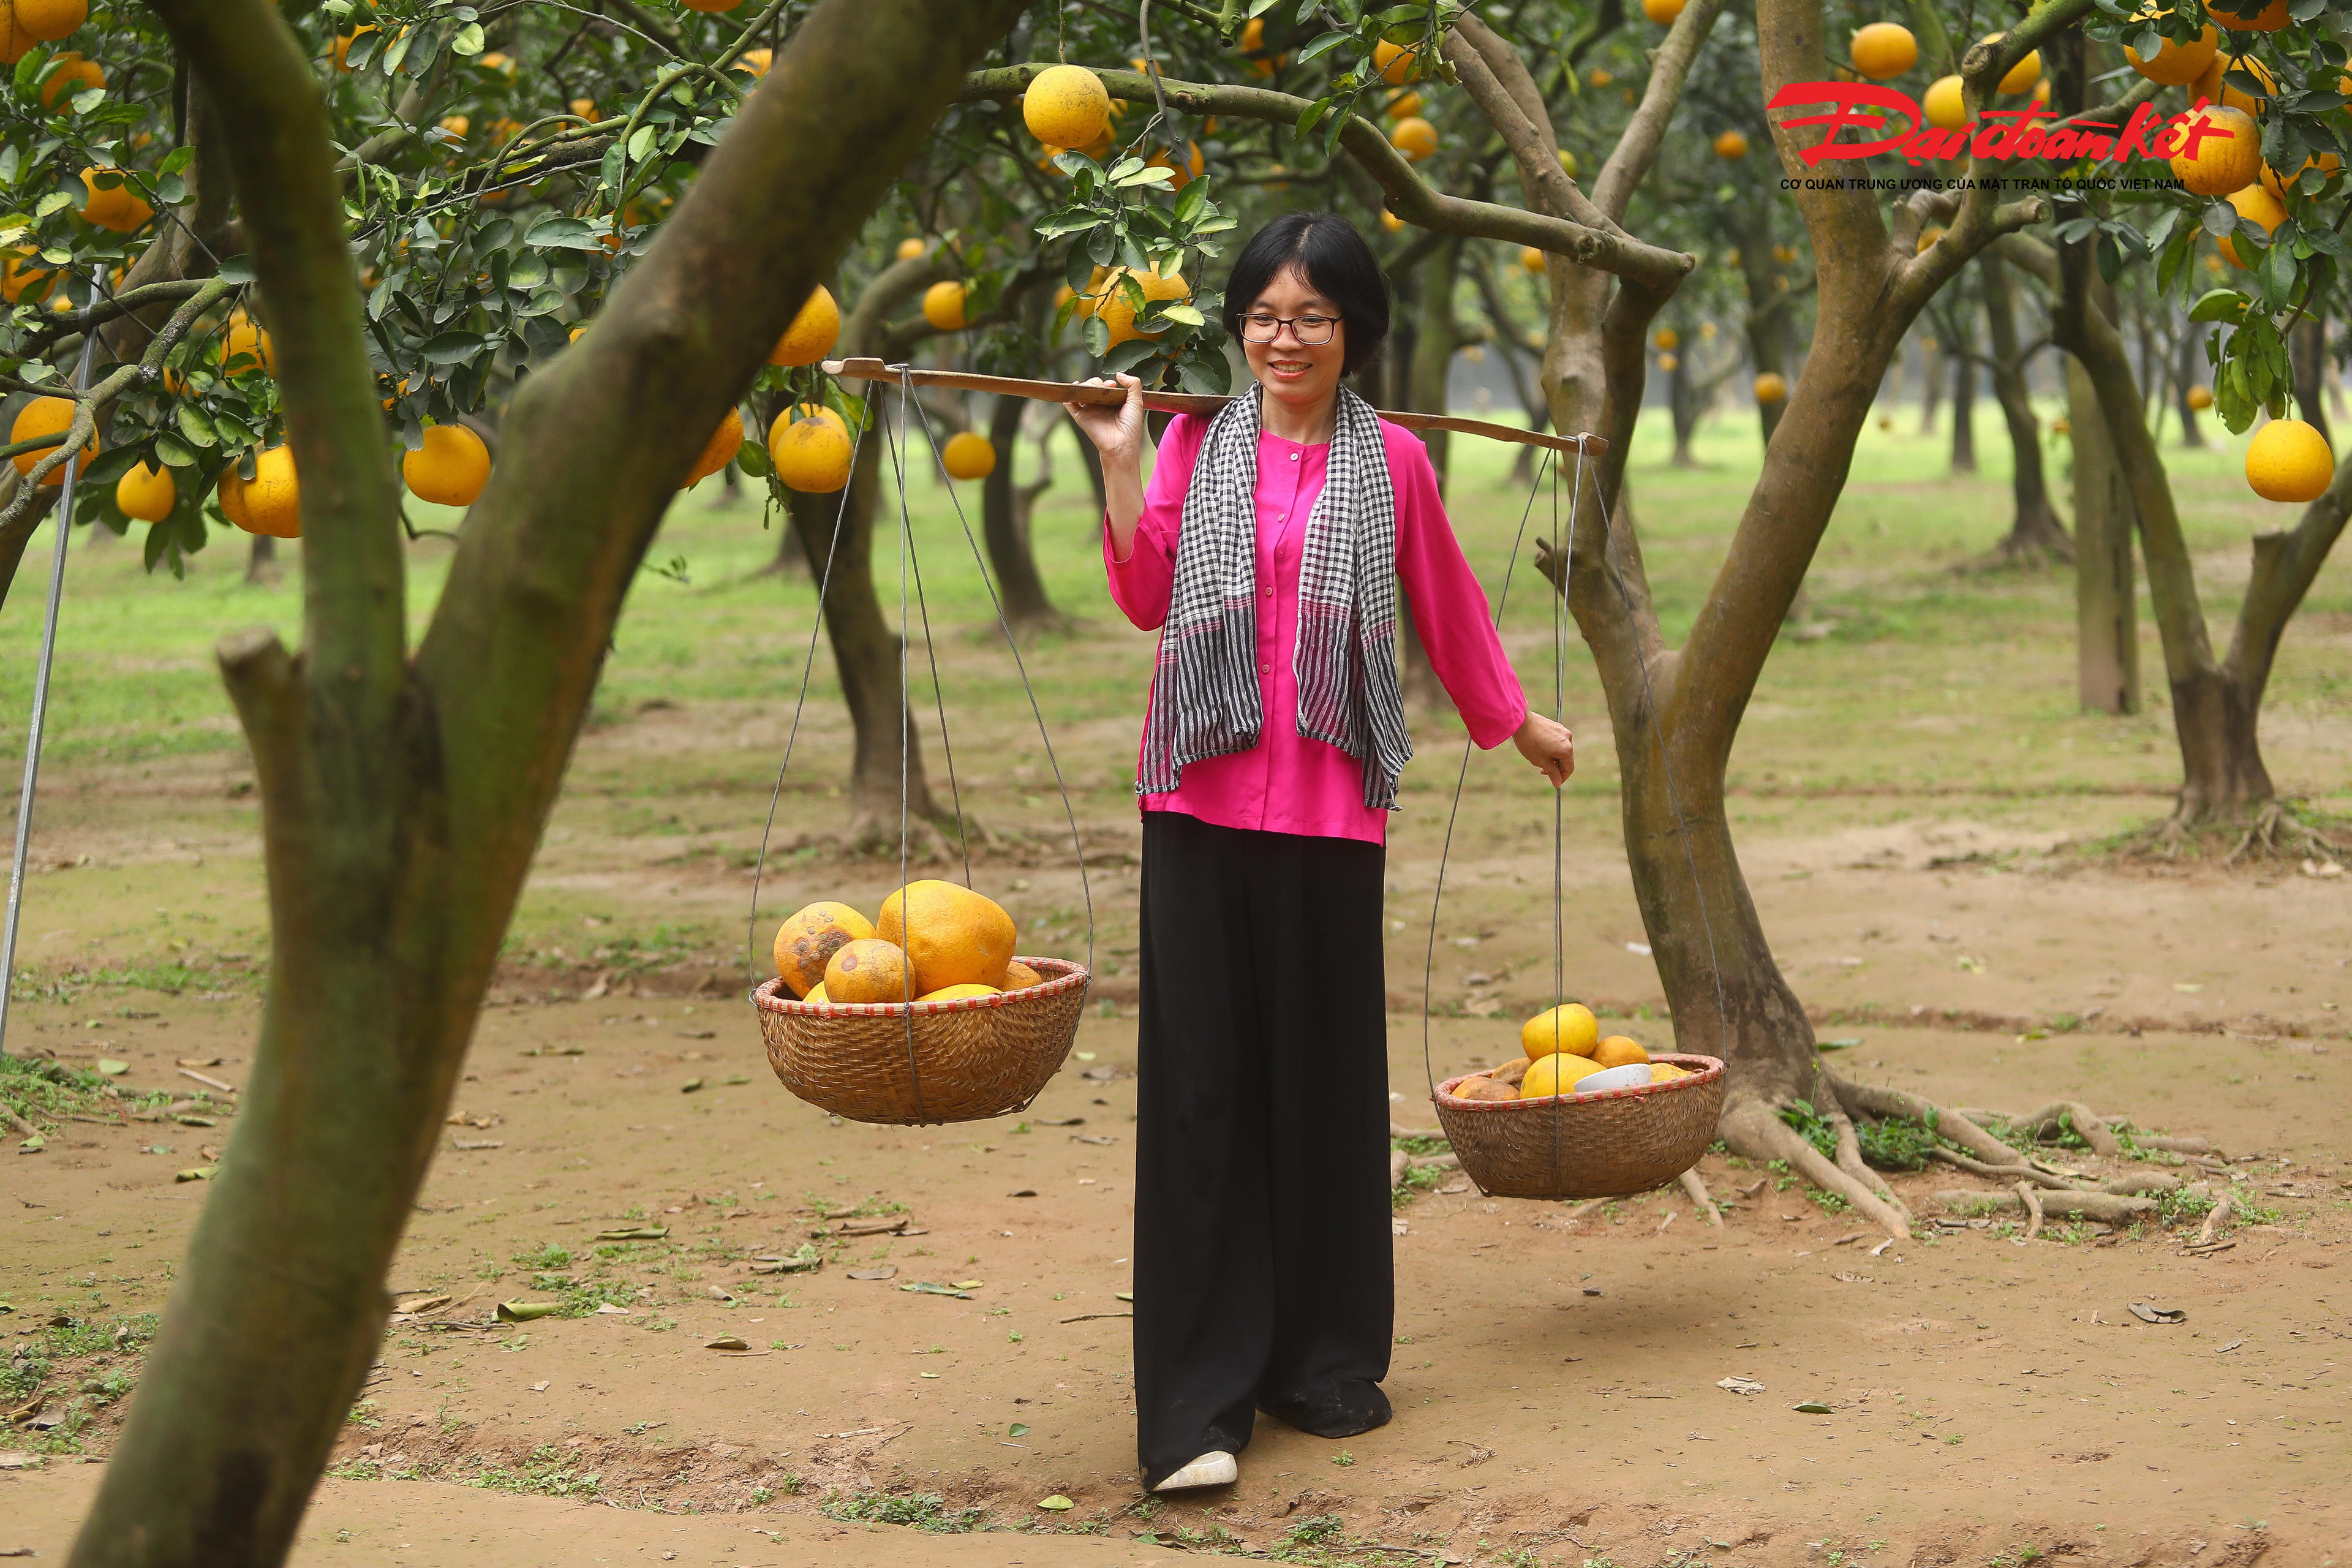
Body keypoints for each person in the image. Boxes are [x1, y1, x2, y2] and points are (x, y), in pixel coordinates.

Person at [1069, 211, 1577, 1495]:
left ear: (1355, 333)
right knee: (1201, 1100)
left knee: (1323, 1092)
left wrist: (1514, 721)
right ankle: (1194, 1400)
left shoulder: (1394, 460)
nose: (1283, 338)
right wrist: (1123, 462)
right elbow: (1144, 594)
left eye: (1311, 317)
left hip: (1333, 812)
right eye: (1264, 316)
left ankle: (1325, 1358)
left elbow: (1445, 598)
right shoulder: (1194, 438)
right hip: (1198, 802)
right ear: (1239, 328)